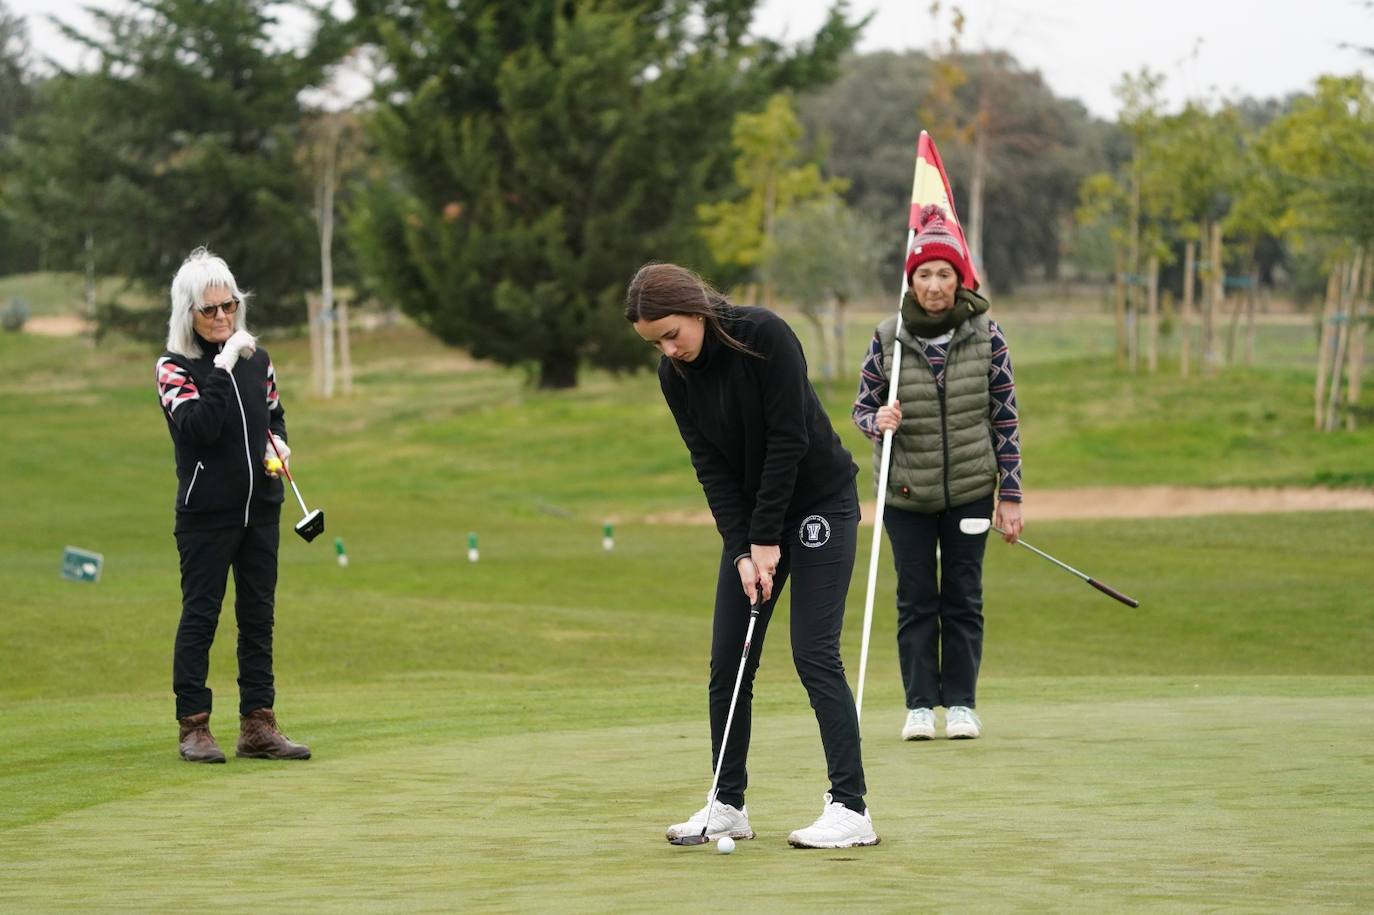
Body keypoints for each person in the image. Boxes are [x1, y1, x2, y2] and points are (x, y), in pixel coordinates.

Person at [626, 262, 878, 849]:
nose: (669, 350)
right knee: (727, 661)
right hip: (754, 527)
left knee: (814, 653)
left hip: (819, 503)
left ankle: (851, 808)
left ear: (696, 310)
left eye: (672, 334)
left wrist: (766, 538)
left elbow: (789, 438)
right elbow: (710, 467)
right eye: (655, 344)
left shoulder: (765, 336)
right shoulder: (675, 376)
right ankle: (727, 802)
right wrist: (742, 550)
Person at [852, 204, 1024, 742]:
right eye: (924, 274)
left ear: (960, 279)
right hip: (905, 492)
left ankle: (963, 705)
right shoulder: (888, 336)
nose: (933, 284)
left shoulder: (987, 336)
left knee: (964, 597)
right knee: (916, 598)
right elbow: (862, 410)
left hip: (972, 490)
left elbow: (1005, 417)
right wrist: (877, 421)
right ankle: (921, 705)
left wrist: (1010, 495)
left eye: (943, 273)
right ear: (912, 279)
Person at [155, 247, 311, 763]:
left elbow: (274, 414)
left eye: (231, 307)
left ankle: (258, 724)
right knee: (201, 615)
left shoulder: (257, 360)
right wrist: (221, 366)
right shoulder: (174, 368)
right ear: (189, 315)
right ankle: (194, 726)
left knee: (258, 616)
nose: (223, 317)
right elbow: (199, 429)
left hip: (261, 506)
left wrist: (279, 443)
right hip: (206, 513)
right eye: (211, 310)